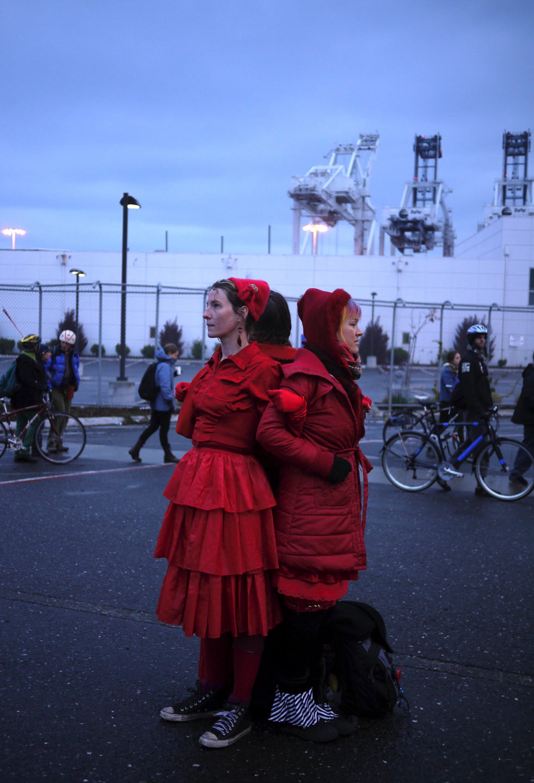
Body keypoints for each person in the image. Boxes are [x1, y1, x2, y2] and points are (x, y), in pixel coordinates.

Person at [154, 277, 282, 749]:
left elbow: (276, 440)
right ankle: (212, 690)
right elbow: (191, 429)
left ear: (242, 313)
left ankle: (241, 704)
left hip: (238, 491)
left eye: (215, 305)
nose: (206, 313)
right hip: (201, 484)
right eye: (205, 305)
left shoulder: (262, 369)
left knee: (243, 596)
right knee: (209, 590)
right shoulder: (212, 367)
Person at [256, 287, 371, 742]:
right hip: (311, 505)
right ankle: (291, 703)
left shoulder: (332, 371)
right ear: (329, 328)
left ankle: (295, 699)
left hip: (329, 505)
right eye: (350, 323)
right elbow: (270, 433)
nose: (359, 330)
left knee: (317, 605)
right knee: (306, 605)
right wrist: (327, 463)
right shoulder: (307, 375)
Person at [442, 323, 493, 483]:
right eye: (479, 337)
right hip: (475, 411)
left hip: (481, 409)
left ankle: (448, 469)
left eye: (484, 337)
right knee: (481, 447)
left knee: (472, 442)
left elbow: (482, 387)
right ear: (472, 339)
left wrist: (490, 406)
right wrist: (480, 410)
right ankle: (481, 483)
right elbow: (469, 389)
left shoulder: (478, 359)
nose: (482, 340)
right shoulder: (468, 360)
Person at [129, 343, 180, 464]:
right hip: (163, 405)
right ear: (169, 354)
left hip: (157, 404)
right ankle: (168, 455)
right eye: (175, 355)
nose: (176, 357)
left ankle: (136, 449)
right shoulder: (165, 367)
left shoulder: (163, 365)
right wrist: (170, 402)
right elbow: (165, 387)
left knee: (153, 427)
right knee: (163, 430)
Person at [12, 334, 48, 463]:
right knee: (35, 421)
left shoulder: (30, 357)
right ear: (33, 346)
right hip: (27, 397)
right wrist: (40, 386)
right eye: (37, 344)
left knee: (21, 424)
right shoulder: (24, 359)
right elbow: (27, 379)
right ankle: (24, 449)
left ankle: (18, 450)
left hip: (21, 397)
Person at [46, 329, 80, 453]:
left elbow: (75, 369)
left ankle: (59, 441)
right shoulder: (54, 353)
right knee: (60, 412)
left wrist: (76, 383)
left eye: (67, 343)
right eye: (63, 342)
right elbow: (46, 369)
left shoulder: (74, 355)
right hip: (57, 388)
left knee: (66, 415)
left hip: (69, 387)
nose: (64, 345)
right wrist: (50, 382)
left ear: (71, 345)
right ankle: (51, 442)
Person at [509, 351, 534, 489]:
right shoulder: (532, 375)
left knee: (529, 446)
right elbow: (530, 399)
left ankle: (516, 473)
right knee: (529, 446)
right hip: (531, 418)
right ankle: (516, 473)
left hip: (530, 417)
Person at [439, 350, 460, 422]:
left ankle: (457, 433)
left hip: (453, 402)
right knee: (442, 424)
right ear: (451, 360)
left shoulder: (455, 370)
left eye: (459, 357)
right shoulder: (447, 370)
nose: (460, 360)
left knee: (460, 422)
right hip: (447, 402)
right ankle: (435, 433)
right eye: (457, 358)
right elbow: (451, 387)